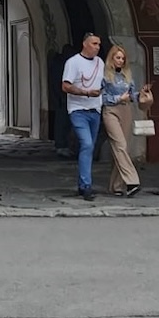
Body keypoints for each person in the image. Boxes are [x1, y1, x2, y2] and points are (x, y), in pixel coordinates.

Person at [100, 44, 153, 198]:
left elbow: (132, 95)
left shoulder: (127, 75)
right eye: (118, 57)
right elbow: (101, 97)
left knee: (123, 149)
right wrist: (118, 98)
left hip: (126, 110)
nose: (121, 61)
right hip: (111, 111)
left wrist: (141, 94)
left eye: (123, 58)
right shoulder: (104, 75)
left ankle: (116, 186)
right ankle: (132, 181)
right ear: (111, 58)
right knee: (120, 145)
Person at [61, 32, 104, 200]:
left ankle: (82, 184)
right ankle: (86, 186)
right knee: (86, 144)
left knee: (90, 147)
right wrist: (85, 93)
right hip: (78, 110)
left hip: (95, 110)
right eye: (94, 44)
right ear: (85, 44)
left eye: (99, 44)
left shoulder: (100, 62)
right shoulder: (73, 62)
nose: (97, 47)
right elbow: (66, 86)